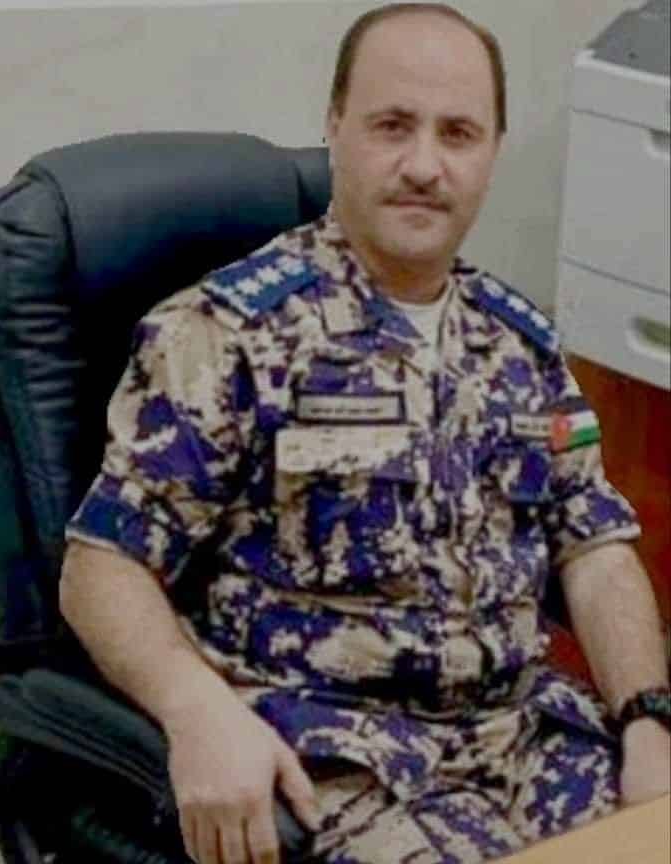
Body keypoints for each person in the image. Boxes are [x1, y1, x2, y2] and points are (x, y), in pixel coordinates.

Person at [60, 4, 671, 863]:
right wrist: (195, 711)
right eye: (392, 126)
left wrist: (647, 719)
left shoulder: (520, 345)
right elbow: (102, 568)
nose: (424, 165)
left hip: (525, 736)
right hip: (346, 762)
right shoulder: (229, 336)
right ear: (336, 127)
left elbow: (593, 547)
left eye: (458, 133)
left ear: (493, 151)